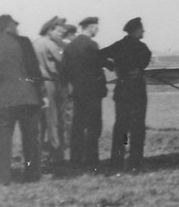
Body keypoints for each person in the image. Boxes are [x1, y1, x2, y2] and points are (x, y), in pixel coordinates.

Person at [0, 15, 46, 184]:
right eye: (15, 25)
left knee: (3, 141)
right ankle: (32, 175)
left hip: (3, 102)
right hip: (28, 98)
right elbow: (34, 70)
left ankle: (3, 177)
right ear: (10, 26)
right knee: (31, 139)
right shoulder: (24, 42)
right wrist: (41, 94)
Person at [101, 17, 152, 172]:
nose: (143, 31)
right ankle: (135, 164)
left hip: (122, 88)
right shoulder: (143, 48)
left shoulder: (117, 46)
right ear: (136, 30)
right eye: (141, 29)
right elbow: (143, 64)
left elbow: (98, 55)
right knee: (138, 127)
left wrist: (111, 66)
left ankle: (116, 164)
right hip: (137, 89)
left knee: (121, 127)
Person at [63, 16, 112, 171]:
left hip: (77, 92)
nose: (97, 30)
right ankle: (92, 159)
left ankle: (75, 159)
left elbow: (64, 71)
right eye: (96, 27)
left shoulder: (70, 46)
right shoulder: (91, 45)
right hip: (92, 92)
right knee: (93, 126)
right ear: (90, 27)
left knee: (77, 126)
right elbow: (99, 65)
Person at [33, 16, 69, 166]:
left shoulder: (35, 43)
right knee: (53, 121)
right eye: (59, 31)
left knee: (40, 123)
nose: (61, 35)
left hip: (36, 85)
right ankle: (56, 155)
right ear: (50, 30)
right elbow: (64, 63)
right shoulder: (52, 45)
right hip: (50, 83)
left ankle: (37, 154)